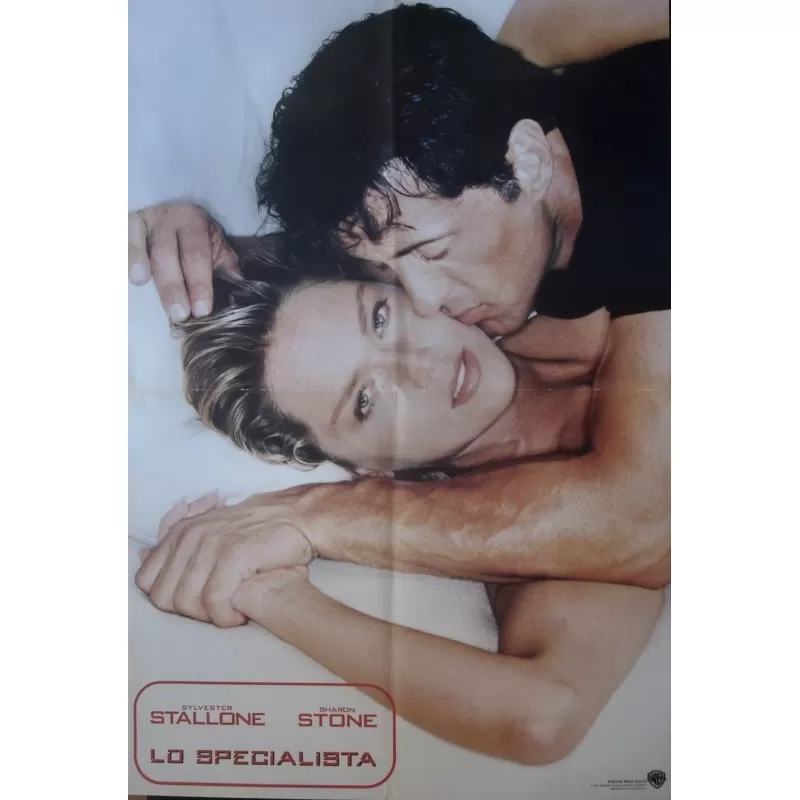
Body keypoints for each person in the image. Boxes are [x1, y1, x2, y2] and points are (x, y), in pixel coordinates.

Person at [130, 4, 670, 620]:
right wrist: (188, 230)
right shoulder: (457, 212)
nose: (427, 301)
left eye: (432, 252)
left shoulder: (654, 162)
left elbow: (648, 521)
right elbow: (317, 281)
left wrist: (306, 517)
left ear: (528, 159)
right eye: (388, 277)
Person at [136, 249, 665, 765]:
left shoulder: (575, 280)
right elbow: (540, 715)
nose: (420, 365)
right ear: (365, 467)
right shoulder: (527, 543)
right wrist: (273, 594)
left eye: (381, 319)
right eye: (365, 401)